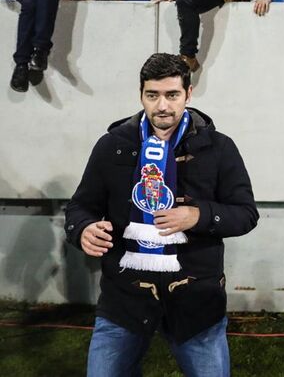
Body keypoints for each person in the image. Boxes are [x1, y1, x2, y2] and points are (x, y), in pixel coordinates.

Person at [64, 52, 258, 377]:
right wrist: (82, 228)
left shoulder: (219, 147)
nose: (162, 105)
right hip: (124, 299)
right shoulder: (112, 145)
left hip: (197, 301)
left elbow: (246, 214)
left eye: (172, 95)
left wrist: (198, 216)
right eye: (152, 95)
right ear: (141, 94)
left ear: (188, 94)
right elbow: (80, 206)